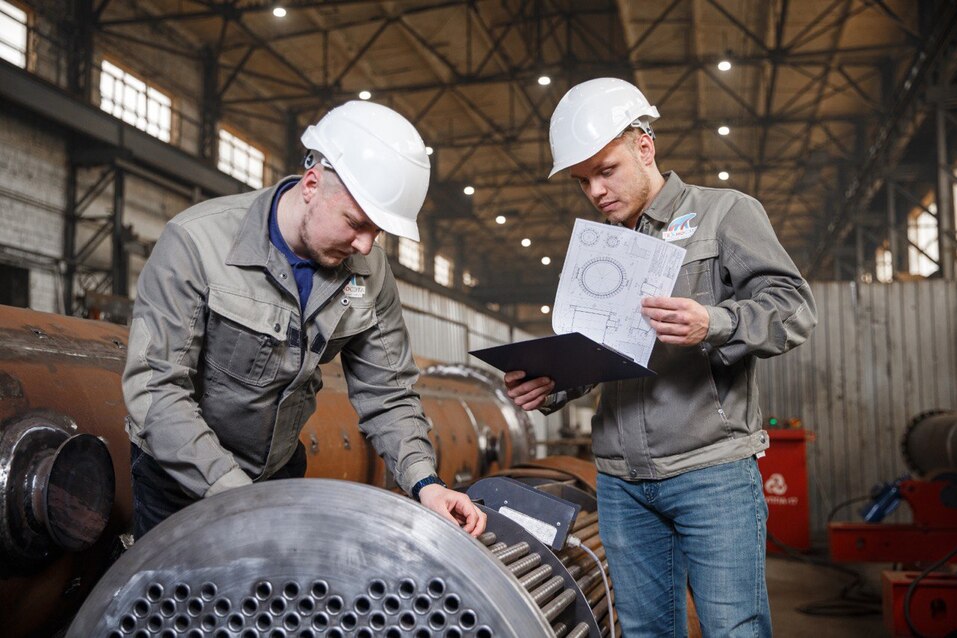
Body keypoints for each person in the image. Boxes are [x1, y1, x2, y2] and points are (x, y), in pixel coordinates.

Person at [505, 78, 817, 636]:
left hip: (711, 470)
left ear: (644, 147)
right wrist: (550, 385)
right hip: (622, 482)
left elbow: (794, 308)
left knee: (734, 627)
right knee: (645, 630)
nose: (596, 192)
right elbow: (600, 352)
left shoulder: (725, 214)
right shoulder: (601, 248)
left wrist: (715, 323)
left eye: (607, 170)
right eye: (583, 181)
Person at [123, 100, 485, 540]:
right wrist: (236, 496)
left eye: (378, 232)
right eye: (356, 223)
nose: (367, 246)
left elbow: (388, 393)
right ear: (311, 184)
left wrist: (425, 482)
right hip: (180, 482)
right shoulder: (198, 243)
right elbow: (156, 390)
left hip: (278, 474)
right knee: (180, 605)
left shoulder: (369, 273)